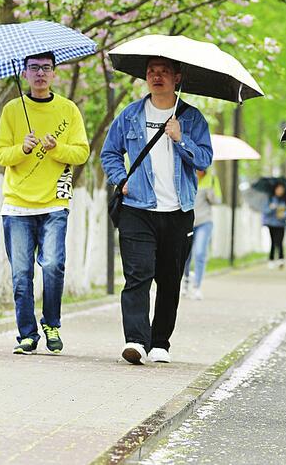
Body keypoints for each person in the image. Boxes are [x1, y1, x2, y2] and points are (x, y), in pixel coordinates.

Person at [100, 56, 212, 365]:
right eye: (151, 72)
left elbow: (204, 160)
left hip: (178, 210)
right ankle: (135, 339)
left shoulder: (192, 118)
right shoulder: (130, 115)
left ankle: (160, 341)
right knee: (138, 274)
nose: (156, 76)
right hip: (138, 207)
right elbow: (109, 152)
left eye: (163, 72)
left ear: (178, 77)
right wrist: (120, 179)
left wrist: (181, 138)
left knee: (169, 278)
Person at [0, 51, 90, 355]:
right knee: (21, 273)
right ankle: (26, 334)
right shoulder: (11, 110)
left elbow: (81, 153)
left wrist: (57, 147)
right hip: (17, 206)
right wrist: (21, 149)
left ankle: (51, 322)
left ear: (54, 73)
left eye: (45, 68)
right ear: (24, 73)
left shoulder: (68, 110)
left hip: (54, 203)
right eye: (33, 68)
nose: (39, 74)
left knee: (53, 265)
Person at [183, 169, 221, 300]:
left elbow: (218, 201)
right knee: (185, 255)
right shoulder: (186, 174)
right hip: (187, 222)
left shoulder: (212, 179)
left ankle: (196, 287)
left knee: (199, 253)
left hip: (204, 222)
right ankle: (185, 281)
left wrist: (210, 194)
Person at [262, 183, 286, 269]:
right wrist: (271, 207)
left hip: (281, 224)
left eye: (281, 189)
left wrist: (284, 214)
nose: (280, 191)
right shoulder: (270, 199)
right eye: (278, 189)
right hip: (271, 223)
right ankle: (271, 259)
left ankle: (281, 259)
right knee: (273, 242)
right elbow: (265, 211)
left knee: (280, 242)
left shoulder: (285, 200)